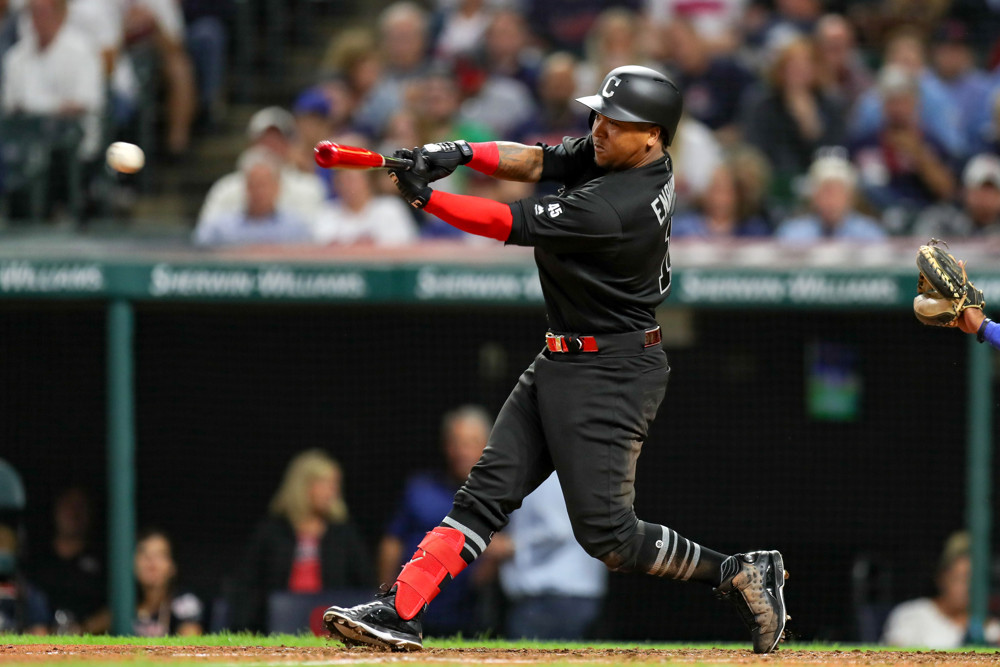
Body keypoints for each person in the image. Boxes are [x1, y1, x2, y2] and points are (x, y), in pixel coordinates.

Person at [323, 65, 788, 654]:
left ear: (652, 135)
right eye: (599, 115)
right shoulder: (624, 157)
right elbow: (538, 160)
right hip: (564, 358)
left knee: (610, 539)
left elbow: (507, 222)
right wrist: (458, 149)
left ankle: (739, 572)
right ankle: (400, 609)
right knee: (483, 496)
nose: (599, 127)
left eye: (615, 122)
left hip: (611, 372)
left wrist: (427, 197)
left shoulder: (618, 204)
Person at [376, 406, 495, 638]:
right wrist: (384, 597)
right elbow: (392, 542)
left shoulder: (495, 498)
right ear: (446, 446)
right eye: (457, 442)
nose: (463, 451)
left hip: (467, 615)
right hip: (408, 609)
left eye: (471, 442)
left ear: (487, 446)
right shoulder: (420, 489)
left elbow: (502, 550)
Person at [229, 450, 373, 633]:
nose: (332, 492)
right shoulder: (272, 532)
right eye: (325, 484)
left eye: (335, 484)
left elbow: (364, 586)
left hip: (331, 629)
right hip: (276, 627)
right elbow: (247, 586)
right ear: (302, 486)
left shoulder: (344, 534)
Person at [496, 472, 608, 640]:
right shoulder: (578, 469)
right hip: (572, 595)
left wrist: (512, 545)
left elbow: (557, 529)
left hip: (551, 599)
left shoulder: (547, 476)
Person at [196, 106, 326, 230]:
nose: (271, 146)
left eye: (278, 140)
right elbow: (206, 236)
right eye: (265, 139)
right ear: (251, 143)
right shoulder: (226, 188)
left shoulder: (309, 188)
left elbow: (315, 236)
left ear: (290, 144)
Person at [881, 532, 1000, 647]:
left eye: (973, 581)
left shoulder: (992, 628)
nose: (967, 588)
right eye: (960, 579)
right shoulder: (910, 615)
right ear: (942, 578)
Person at [26, 486, 108, 634]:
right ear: (56, 510)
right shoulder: (36, 556)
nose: (74, 513)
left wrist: (82, 629)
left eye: (81, 506)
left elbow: (117, 610)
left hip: (88, 641)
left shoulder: (103, 558)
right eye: (68, 505)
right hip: (39, 640)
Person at [193, 148, 314, 247]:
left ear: (277, 188)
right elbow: (195, 251)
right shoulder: (221, 229)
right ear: (245, 187)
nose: (258, 191)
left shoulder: (296, 228)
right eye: (253, 184)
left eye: (264, 185)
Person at [775, 155, 885, 242]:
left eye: (838, 193)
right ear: (813, 198)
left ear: (851, 197)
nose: (831, 201)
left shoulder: (869, 233)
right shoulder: (792, 233)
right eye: (825, 192)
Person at [672, 160, 770, 238]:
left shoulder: (754, 230)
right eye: (715, 190)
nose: (720, 199)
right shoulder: (683, 228)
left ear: (737, 196)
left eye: (726, 192)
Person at [132, 528, 202, 637]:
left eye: (160, 555)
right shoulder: (124, 604)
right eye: (144, 554)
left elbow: (190, 643)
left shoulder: (184, 602)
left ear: (172, 567)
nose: (151, 562)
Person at [912, 154, 1000, 239]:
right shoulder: (941, 221)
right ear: (965, 191)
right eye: (980, 190)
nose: (986, 199)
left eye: (993, 192)